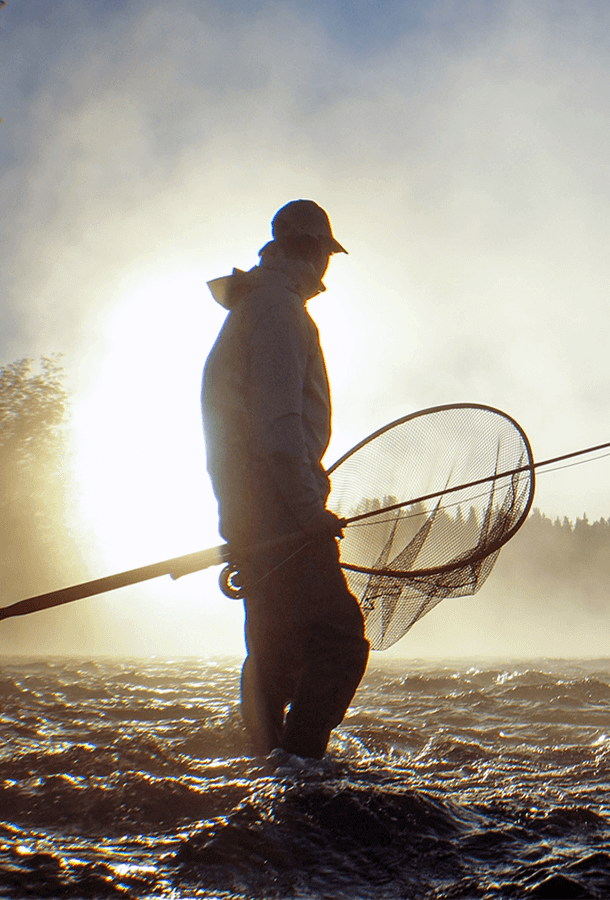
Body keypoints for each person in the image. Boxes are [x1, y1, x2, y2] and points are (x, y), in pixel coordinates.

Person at [200, 199, 369, 760]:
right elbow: (279, 426)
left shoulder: (253, 308)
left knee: (275, 651)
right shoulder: (279, 311)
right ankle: (299, 772)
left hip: (251, 513)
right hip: (278, 514)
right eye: (324, 253)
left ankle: (265, 770)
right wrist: (307, 514)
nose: (326, 267)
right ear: (312, 250)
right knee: (341, 642)